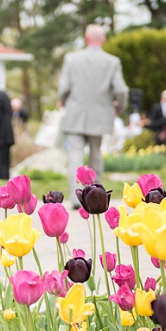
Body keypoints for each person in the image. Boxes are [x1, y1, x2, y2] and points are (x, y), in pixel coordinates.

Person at [57, 24, 128, 209]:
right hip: (100, 116)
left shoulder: (72, 59)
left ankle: (76, 199)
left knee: (75, 156)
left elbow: (64, 87)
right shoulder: (112, 62)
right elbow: (121, 89)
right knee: (96, 155)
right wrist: (119, 106)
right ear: (102, 40)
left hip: (74, 114)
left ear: (86, 38)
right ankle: (96, 198)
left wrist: (61, 100)